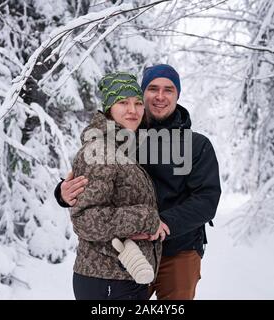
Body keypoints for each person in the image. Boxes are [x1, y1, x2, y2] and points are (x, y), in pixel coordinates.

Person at [55, 64, 221, 300]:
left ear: (178, 95)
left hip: (178, 250)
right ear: (142, 93)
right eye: (153, 88)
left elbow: (206, 201)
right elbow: (95, 177)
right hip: (127, 253)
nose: (160, 96)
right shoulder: (123, 133)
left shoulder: (196, 145)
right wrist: (62, 192)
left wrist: (161, 223)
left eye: (169, 89)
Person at [68, 72, 164, 300]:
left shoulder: (122, 147)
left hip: (123, 276)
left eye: (138, 103)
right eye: (123, 102)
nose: (133, 109)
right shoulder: (100, 151)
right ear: (109, 107)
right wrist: (147, 218)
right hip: (106, 279)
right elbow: (85, 219)